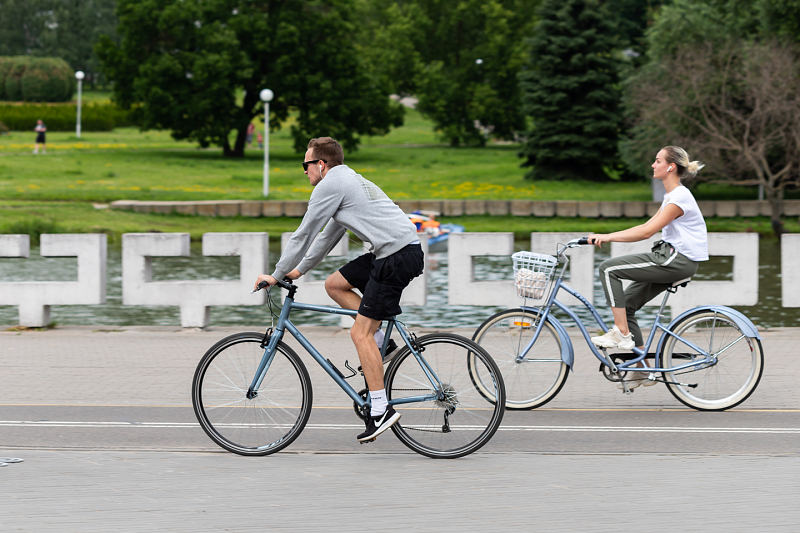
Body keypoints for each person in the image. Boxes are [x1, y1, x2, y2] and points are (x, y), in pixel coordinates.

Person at [254, 136, 424, 441]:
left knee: (360, 334)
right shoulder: (345, 181)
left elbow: (303, 233)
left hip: (396, 257)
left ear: (321, 164)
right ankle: (383, 342)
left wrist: (275, 275)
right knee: (335, 284)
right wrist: (298, 270)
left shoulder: (331, 185)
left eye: (305, 165)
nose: (304, 171)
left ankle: (381, 409)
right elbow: (326, 237)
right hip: (395, 251)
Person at [587, 146, 708, 389]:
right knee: (628, 305)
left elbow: (646, 232)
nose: (653, 165)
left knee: (608, 269)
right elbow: (646, 226)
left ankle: (621, 334)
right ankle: (641, 369)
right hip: (671, 257)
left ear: (670, 167)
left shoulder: (679, 197)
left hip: (677, 259)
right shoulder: (672, 196)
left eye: (657, 160)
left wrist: (608, 237)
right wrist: (607, 235)